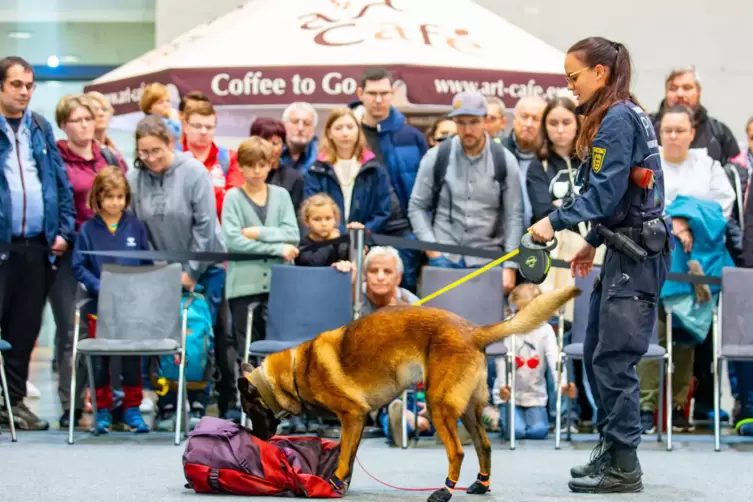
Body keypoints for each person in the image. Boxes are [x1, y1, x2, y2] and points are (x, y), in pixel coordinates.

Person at [528, 37, 672, 493]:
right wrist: (591, 240)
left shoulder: (616, 119)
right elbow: (626, 194)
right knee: (595, 353)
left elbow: (604, 194)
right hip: (622, 248)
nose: (569, 86)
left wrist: (555, 221)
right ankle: (610, 449)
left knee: (614, 361)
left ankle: (624, 465)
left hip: (637, 257)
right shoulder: (625, 113)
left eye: (574, 76)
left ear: (600, 74)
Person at [127, 116, 227, 430]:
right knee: (163, 339)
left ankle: (199, 402)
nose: (150, 158)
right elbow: (135, 227)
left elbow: (205, 226)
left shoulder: (194, 171)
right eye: (143, 152)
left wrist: (191, 271)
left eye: (156, 150)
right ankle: (167, 404)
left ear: (170, 143)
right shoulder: (134, 177)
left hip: (204, 268)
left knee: (198, 338)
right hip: (160, 273)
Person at [0, 56, 75, 431]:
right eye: (16, 84)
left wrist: (63, 229)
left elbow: (59, 183)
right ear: (1, 87)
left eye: (29, 85)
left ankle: (13, 404)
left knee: (24, 329)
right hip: (2, 246)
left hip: (37, 247)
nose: (24, 92)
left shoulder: (40, 128)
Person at [50, 93, 128, 428]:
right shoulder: (55, 156)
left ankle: (111, 403)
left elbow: (125, 199)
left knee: (112, 331)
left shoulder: (108, 156)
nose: (84, 125)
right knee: (71, 331)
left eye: (88, 119)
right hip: (70, 254)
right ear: (64, 125)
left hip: (108, 255)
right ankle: (71, 404)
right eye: (77, 120)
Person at [220, 136, 300, 421]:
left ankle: (284, 407)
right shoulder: (232, 197)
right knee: (248, 347)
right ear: (239, 167)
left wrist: (257, 232)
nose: (256, 171)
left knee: (281, 349)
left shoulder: (281, 195)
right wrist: (277, 246)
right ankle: (254, 408)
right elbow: (233, 241)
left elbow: (293, 234)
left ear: (270, 165)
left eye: (262, 165)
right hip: (244, 283)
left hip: (281, 284)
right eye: (249, 165)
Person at [71, 167, 151, 434]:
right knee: (100, 360)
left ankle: (132, 410)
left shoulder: (135, 227)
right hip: (99, 307)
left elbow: (147, 264)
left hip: (131, 310)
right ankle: (103, 411)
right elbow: (79, 266)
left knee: (131, 360)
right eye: (109, 197)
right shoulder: (87, 230)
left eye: (120, 196)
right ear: (98, 198)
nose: (115, 202)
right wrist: (99, 287)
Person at [494, 283, 576, 440]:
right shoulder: (508, 326)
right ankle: (502, 416)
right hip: (510, 396)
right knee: (516, 432)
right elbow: (502, 359)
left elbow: (554, 359)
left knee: (538, 432)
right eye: (520, 311)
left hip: (535, 396)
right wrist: (504, 387)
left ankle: (522, 420)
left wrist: (563, 384)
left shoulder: (545, 331)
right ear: (513, 308)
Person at [295, 193, 351, 269]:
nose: (324, 224)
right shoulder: (303, 246)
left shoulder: (341, 241)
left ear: (335, 219)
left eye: (328, 218)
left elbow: (349, 257)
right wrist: (330, 242)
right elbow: (314, 264)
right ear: (306, 222)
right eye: (317, 219)